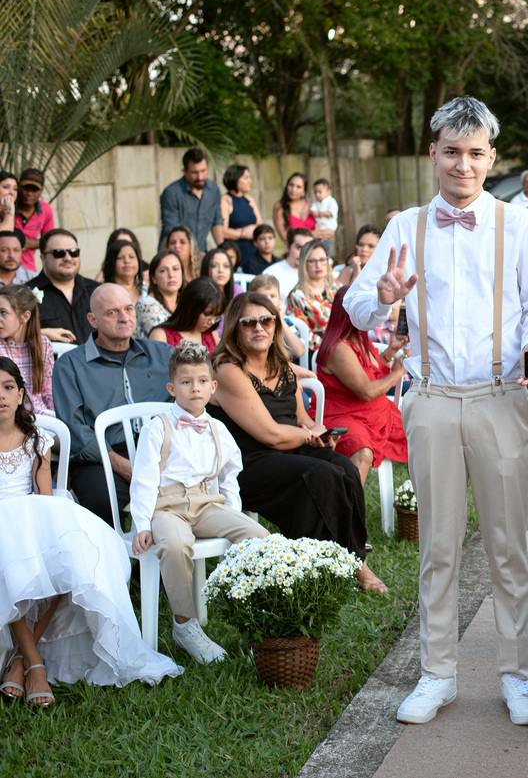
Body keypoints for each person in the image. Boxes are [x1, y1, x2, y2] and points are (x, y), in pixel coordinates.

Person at [343, 96, 528, 727]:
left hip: (499, 397)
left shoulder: (520, 226)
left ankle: (516, 675)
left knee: (507, 544)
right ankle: (437, 673)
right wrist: (383, 297)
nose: (463, 165)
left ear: (492, 158)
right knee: (437, 544)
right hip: (432, 398)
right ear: (433, 153)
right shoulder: (405, 227)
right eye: (451, 152)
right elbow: (357, 306)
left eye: (475, 154)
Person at [0, 357, 182, 705]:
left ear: (21, 394)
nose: (1, 396)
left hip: (31, 517)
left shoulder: (35, 440)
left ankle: (23, 658)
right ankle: (34, 663)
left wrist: (45, 539)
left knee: (69, 562)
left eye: (8, 387)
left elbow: (44, 498)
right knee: (12, 565)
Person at [207, 291, 383, 593]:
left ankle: (351, 560)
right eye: (248, 323)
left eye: (266, 320)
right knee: (321, 475)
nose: (259, 328)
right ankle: (317, 565)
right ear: (235, 329)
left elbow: (302, 419)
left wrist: (320, 434)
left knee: (345, 468)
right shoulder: (228, 370)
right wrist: (308, 435)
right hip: (249, 463)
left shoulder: (283, 367)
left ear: (276, 325)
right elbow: (271, 435)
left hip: (290, 451)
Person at [128, 341, 269, 664]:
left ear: (213, 387)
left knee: (257, 535)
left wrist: (232, 513)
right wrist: (142, 524)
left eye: (202, 381)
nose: (195, 388)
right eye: (186, 382)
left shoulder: (218, 429)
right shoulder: (157, 428)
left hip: (206, 502)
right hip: (166, 506)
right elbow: (144, 480)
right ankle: (185, 625)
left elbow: (230, 474)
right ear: (171, 388)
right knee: (175, 545)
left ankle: (252, 620)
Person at [52, 284, 174, 525]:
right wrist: (121, 464)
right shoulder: (70, 365)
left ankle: (162, 547)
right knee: (99, 500)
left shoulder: (163, 355)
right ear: (93, 320)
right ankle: (112, 549)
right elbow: (74, 429)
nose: (124, 317)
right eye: (112, 312)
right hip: (104, 455)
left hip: (161, 449)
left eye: (128, 309)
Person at [314, 287, 408, 484]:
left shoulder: (359, 339)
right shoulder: (338, 347)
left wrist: (390, 352)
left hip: (375, 415)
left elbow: (367, 371)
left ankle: (419, 500)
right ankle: (350, 503)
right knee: (362, 450)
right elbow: (366, 391)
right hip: (343, 417)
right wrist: (397, 373)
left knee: (421, 436)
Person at [26, 229, 98, 344]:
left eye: (74, 252)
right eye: (59, 253)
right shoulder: (25, 296)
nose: (68, 258)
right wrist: (39, 334)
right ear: (43, 258)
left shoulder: (96, 291)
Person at [0, 284, 54, 415]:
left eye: (3, 313)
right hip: (10, 416)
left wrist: (60, 417)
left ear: (25, 316)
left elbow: (49, 392)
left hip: (41, 415)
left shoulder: (43, 344)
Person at [158, 148, 223, 251]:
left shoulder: (214, 190)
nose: (200, 177)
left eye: (203, 171)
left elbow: (217, 222)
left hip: (201, 251)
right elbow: (171, 229)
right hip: (175, 252)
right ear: (184, 171)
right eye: (194, 172)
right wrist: (195, 253)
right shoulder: (171, 193)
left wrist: (222, 249)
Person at [148, 277, 225, 353]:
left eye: (217, 316)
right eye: (207, 314)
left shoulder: (211, 334)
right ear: (191, 308)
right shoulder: (160, 336)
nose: (212, 321)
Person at [287, 240, 336, 353]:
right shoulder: (296, 296)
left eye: (322, 260)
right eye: (312, 261)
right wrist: (332, 345)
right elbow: (303, 334)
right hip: (319, 351)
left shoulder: (335, 287)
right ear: (304, 264)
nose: (318, 265)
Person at [247, 274, 308, 362]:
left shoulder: (286, 322)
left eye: (272, 296)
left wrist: (280, 320)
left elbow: (299, 351)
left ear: (279, 299)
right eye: (263, 296)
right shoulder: (249, 323)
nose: (268, 300)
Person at [12, 169, 55, 272]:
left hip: (29, 269)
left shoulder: (46, 209)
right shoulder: (7, 207)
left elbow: (51, 241)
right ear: (18, 186)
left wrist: (30, 244)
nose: (29, 193)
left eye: (34, 190)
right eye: (26, 188)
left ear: (41, 190)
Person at [136, 251, 184, 338]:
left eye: (175, 269)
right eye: (163, 270)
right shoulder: (146, 304)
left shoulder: (186, 302)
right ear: (153, 278)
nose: (171, 275)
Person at [262, 227, 313, 299]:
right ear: (287, 246)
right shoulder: (271, 273)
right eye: (298, 247)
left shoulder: (318, 273)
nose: (303, 253)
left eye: (307, 249)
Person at [219, 164, 263, 245]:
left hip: (254, 248)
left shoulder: (249, 199)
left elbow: (261, 224)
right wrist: (243, 234)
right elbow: (223, 231)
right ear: (235, 179)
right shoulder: (225, 200)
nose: (250, 181)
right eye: (246, 178)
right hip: (235, 248)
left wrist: (252, 229)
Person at [100, 234, 146, 307]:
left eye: (131, 257)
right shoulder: (103, 294)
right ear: (111, 263)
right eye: (120, 258)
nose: (127, 261)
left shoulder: (146, 288)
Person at [272, 172, 316, 237]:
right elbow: (284, 236)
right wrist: (312, 234)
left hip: (317, 242)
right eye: (291, 185)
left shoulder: (311, 203)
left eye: (298, 187)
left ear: (304, 191)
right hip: (295, 243)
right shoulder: (279, 206)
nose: (293, 189)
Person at [201, 247, 240, 311]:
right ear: (206, 268)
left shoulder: (236, 291)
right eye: (214, 266)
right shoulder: (198, 293)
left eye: (226, 266)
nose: (221, 270)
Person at [310, 178, 338, 242]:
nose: (317, 194)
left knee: (324, 241)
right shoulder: (315, 202)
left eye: (319, 192)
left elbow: (332, 213)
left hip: (328, 227)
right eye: (315, 192)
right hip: (319, 228)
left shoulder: (331, 201)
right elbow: (312, 210)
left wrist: (324, 213)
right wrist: (315, 213)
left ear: (328, 192)